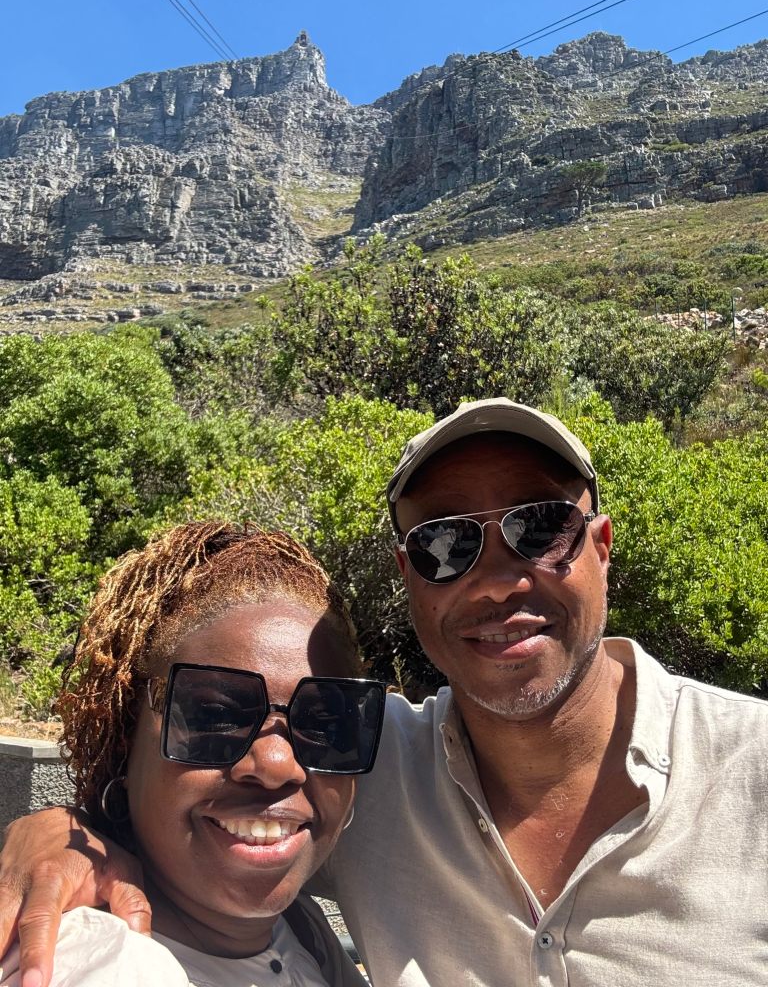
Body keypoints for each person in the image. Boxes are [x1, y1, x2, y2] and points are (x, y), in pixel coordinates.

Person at [2, 399, 767, 986]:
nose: (498, 581)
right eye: (445, 544)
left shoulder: (752, 768)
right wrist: (61, 837)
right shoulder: (357, 763)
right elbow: (186, 805)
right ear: (408, 577)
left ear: (601, 545)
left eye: (540, 528)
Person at [0, 521, 385, 987]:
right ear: (125, 738)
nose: (277, 765)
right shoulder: (107, 964)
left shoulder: (301, 930)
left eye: (326, 723)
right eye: (215, 716)